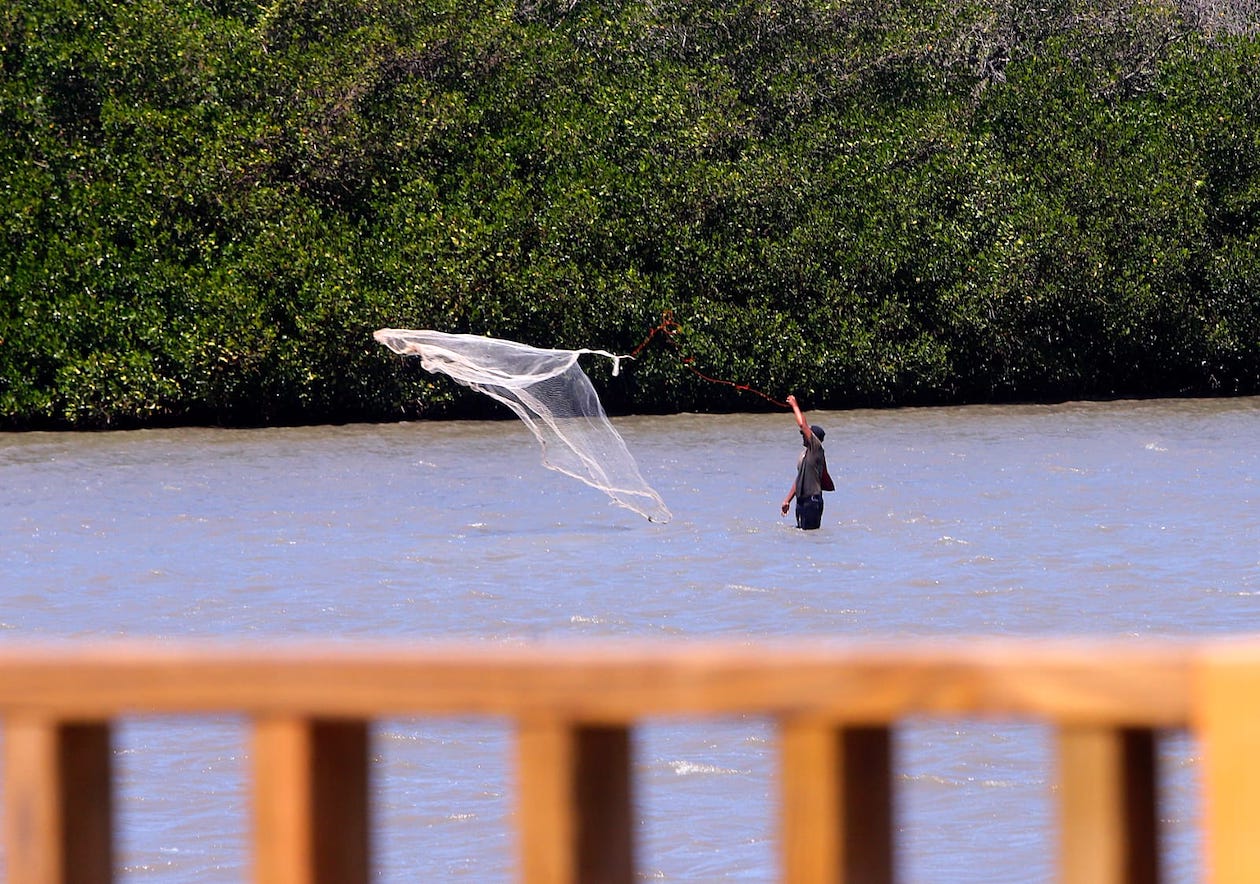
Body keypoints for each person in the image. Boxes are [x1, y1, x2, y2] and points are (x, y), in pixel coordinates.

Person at [780, 394, 830, 530]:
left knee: (810, 535)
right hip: (801, 502)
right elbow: (798, 480)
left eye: (804, 434)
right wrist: (787, 500)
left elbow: (802, 424)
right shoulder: (804, 456)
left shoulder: (817, 448)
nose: (802, 435)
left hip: (813, 501)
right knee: (801, 534)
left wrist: (795, 405)